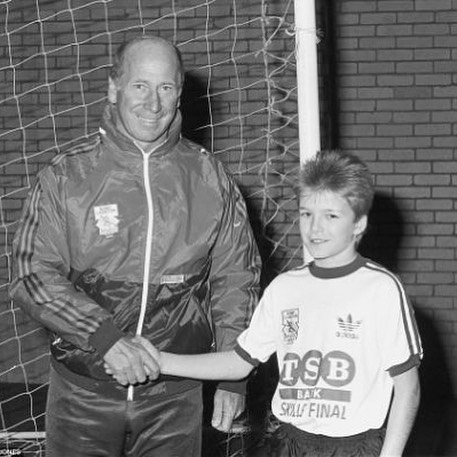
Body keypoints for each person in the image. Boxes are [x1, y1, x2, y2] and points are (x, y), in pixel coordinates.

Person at [9, 35, 261, 457]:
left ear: (180, 93)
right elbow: (32, 274)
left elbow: (236, 278)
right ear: (114, 87)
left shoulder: (210, 179)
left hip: (175, 399)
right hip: (82, 393)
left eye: (166, 87)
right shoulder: (66, 177)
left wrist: (234, 376)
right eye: (140, 85)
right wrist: (106, 338)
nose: (154, 103)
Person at [144, 150, 423, 457]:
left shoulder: (380, 288)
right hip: (287, 442)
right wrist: (161, 360)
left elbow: (407, 388)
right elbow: (239, 361)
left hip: (353, 446)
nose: (315, 228)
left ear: (358, 224)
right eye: (306, 214)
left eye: (331, 216)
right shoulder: (285, 288)